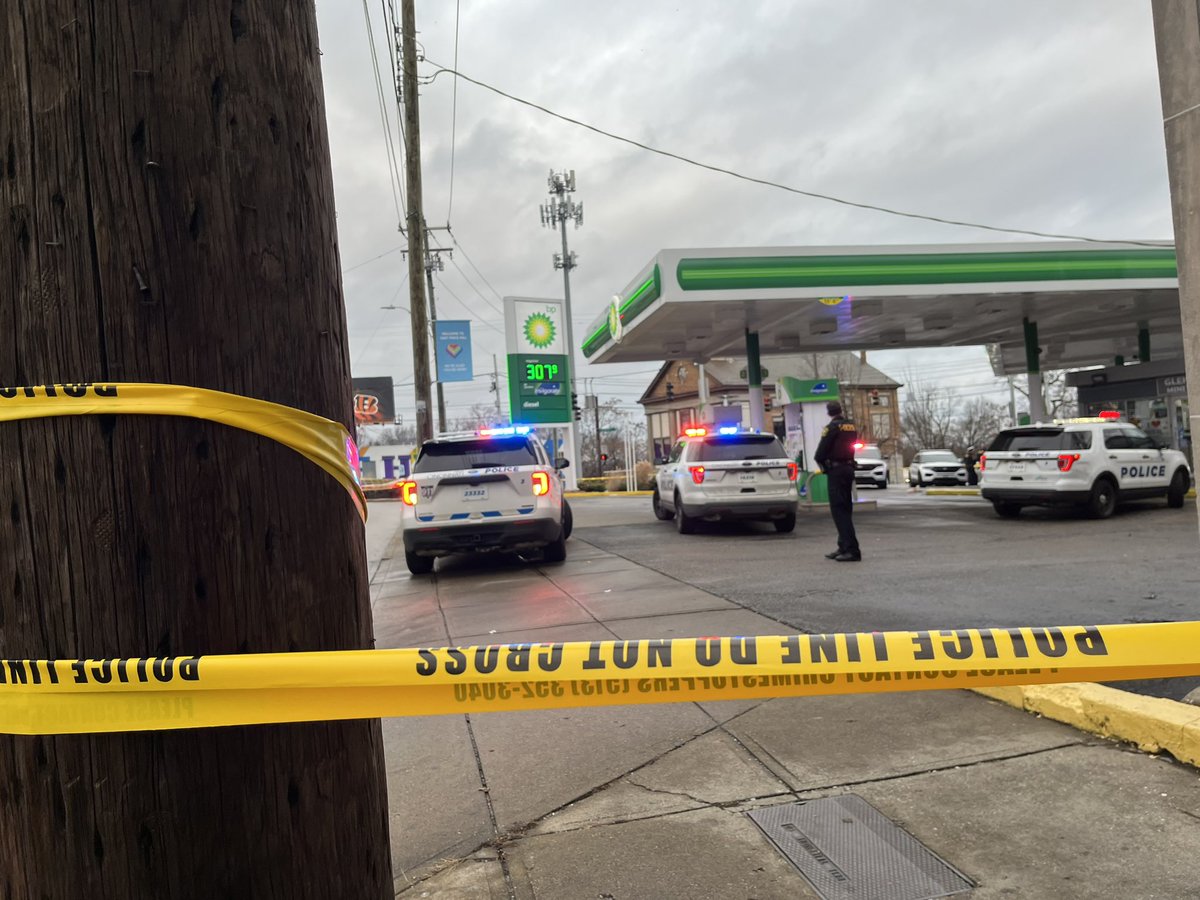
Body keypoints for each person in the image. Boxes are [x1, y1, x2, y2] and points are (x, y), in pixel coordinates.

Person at [814, 400, 861, 562]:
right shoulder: (851, 426)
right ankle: (843, 546)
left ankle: (851, 550)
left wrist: (825, 468)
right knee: (846, 508)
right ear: (840, 410)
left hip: (836, 471)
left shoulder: (831, 428)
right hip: (848, 469)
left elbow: (819, 454)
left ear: (829, 413)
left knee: (839, 510)